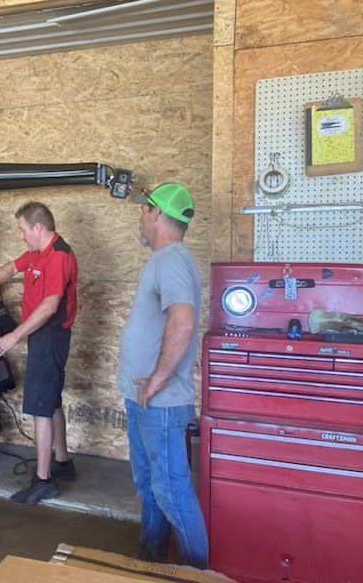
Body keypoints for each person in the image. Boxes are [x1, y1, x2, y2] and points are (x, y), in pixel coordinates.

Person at [117, 182, 209, 568]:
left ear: (156, 213)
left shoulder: (171, 260)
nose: (140, 216)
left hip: (163, 403)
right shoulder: (162, 260)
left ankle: (199, 574)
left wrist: (157, 378)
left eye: (144, 209)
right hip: (146, 400)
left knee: (172, 493)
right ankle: (149, 565)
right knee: (152, 488)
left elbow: (183, 322)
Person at [0, 201, 78, 506]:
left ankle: (43, 481)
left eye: (23, 230)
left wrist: (14, 336)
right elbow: (11, 268)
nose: (21, 235)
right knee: (51, 401)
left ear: (38, 228)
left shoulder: (58, 256)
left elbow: (50, 306)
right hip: (42, 336)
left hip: (50, 337)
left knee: (41, 407)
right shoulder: (39, 252)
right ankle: (62, 462)